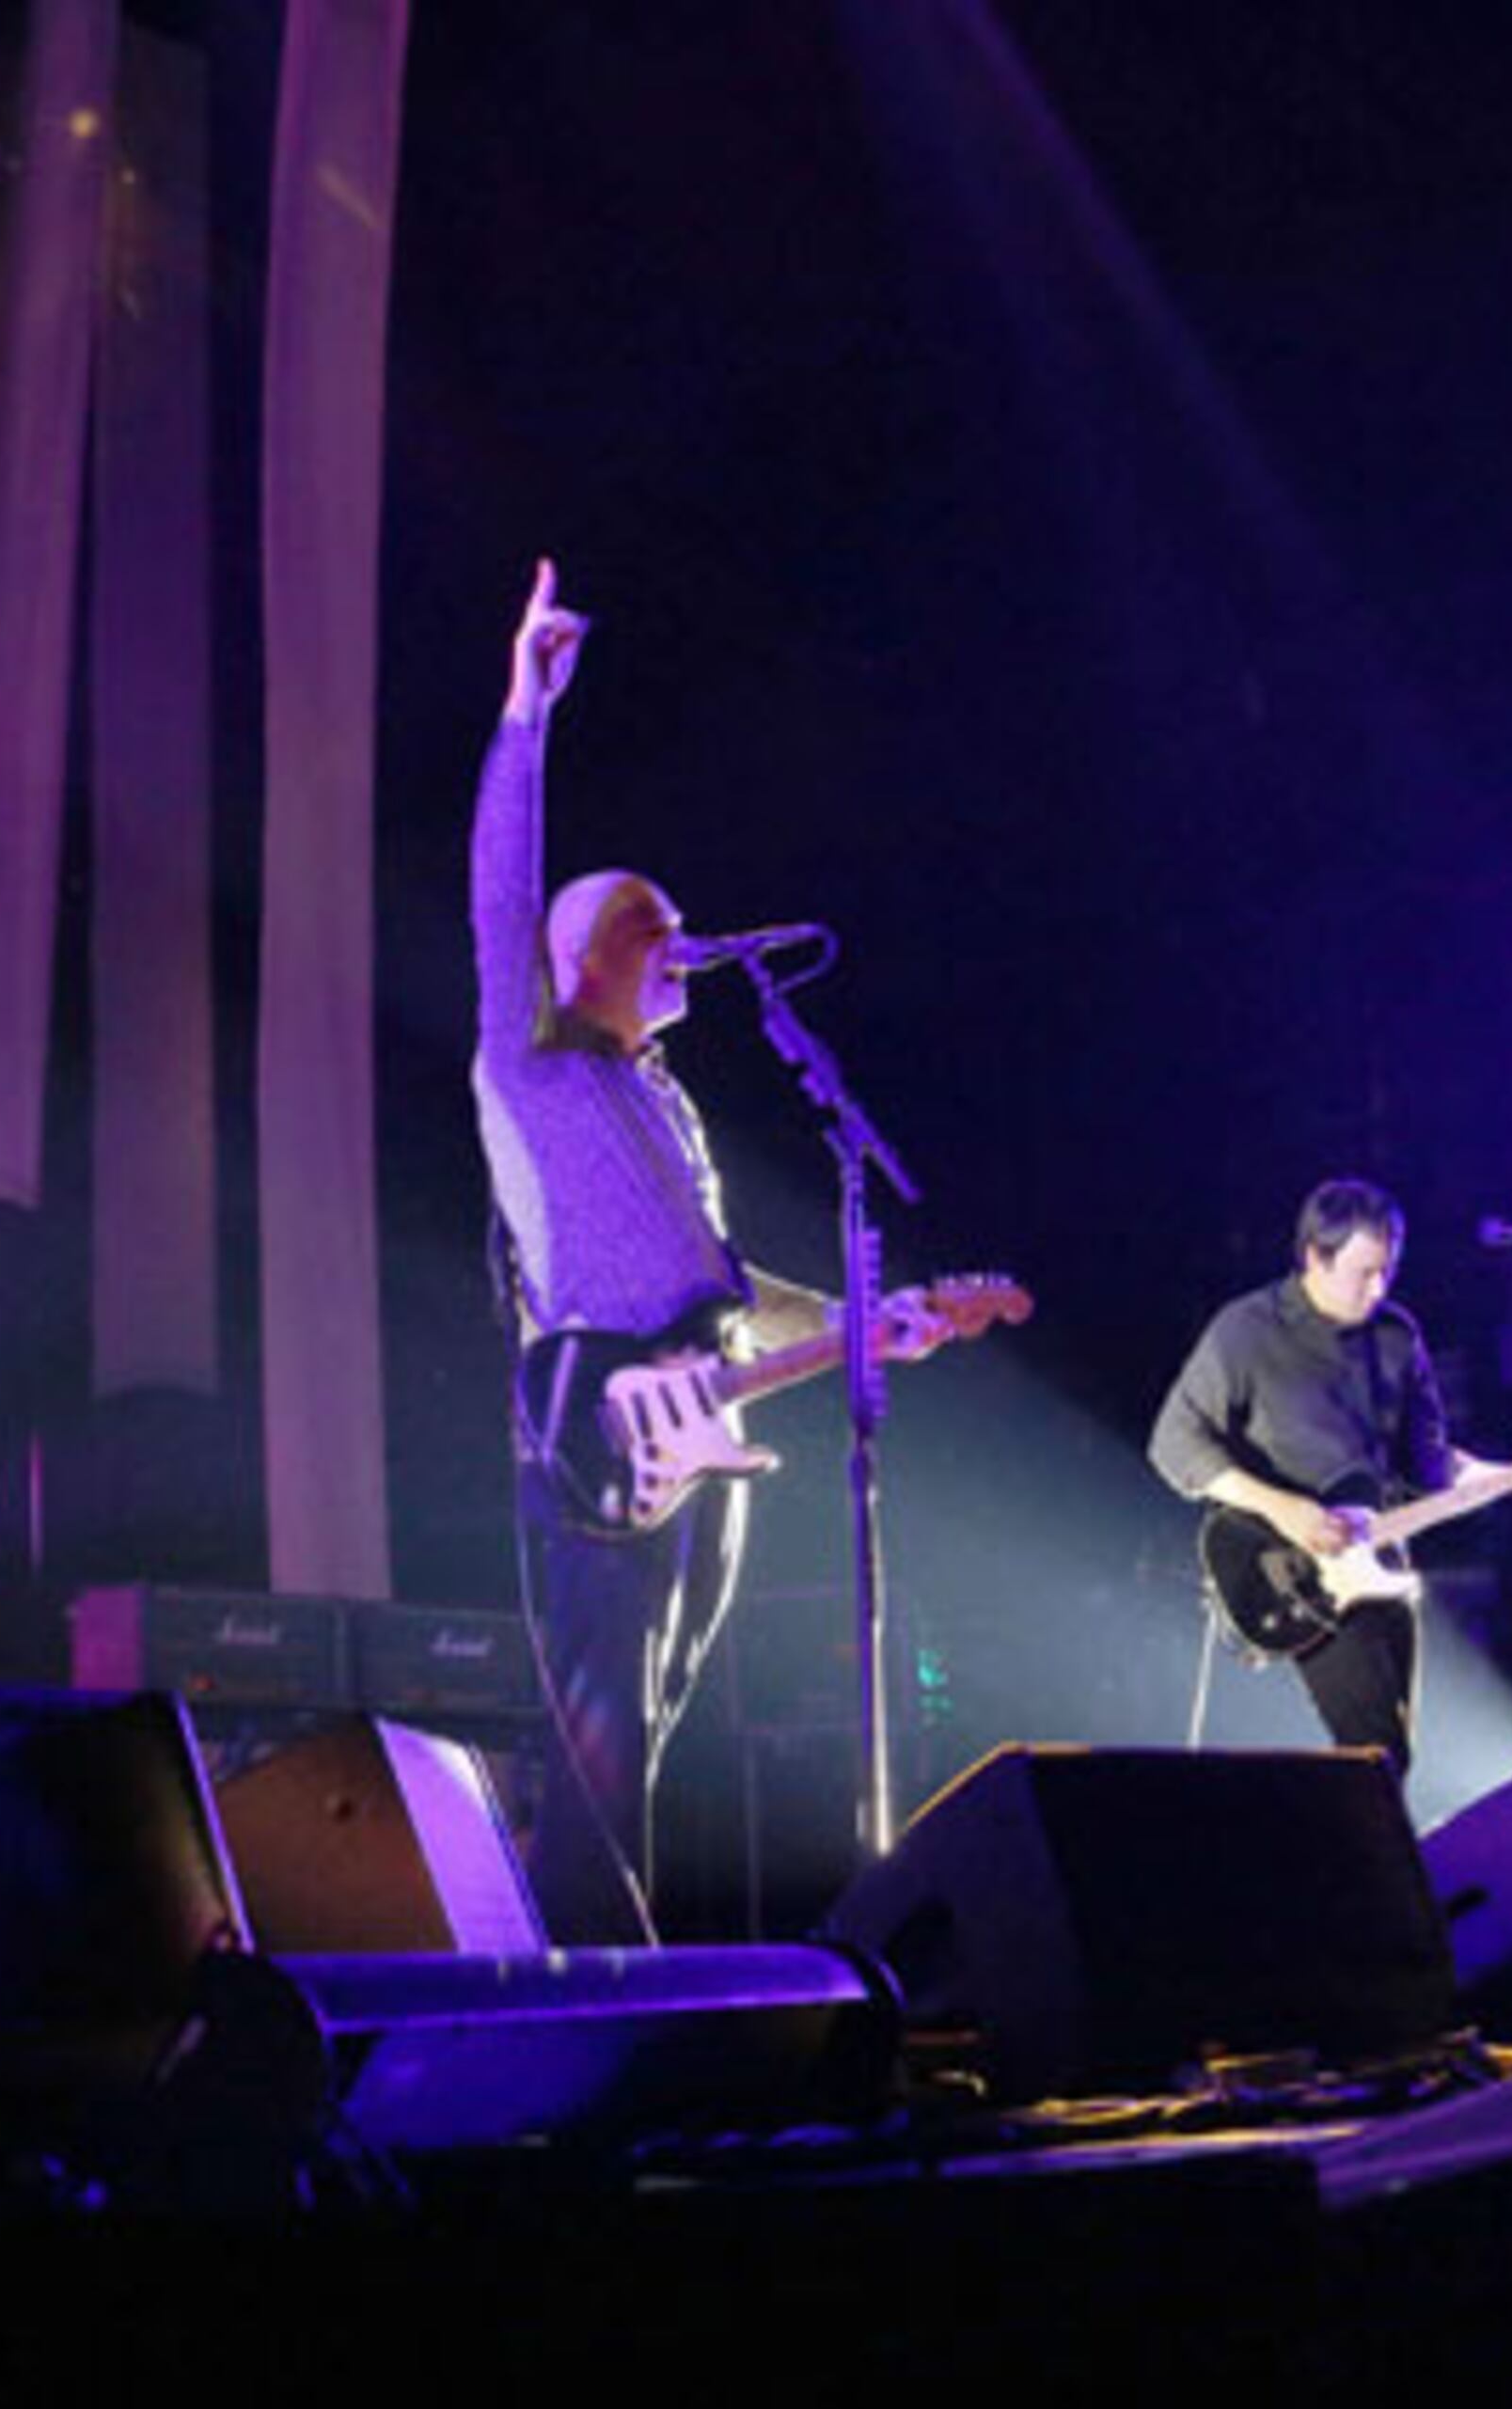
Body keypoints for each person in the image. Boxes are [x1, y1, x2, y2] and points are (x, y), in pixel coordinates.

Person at [468, 559, 936, 1944]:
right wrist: (525, 715)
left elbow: (726, 1284)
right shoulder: (534, 1067)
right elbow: (500, 895)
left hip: (701, 1420)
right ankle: (588, 1997)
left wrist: (873, 1309)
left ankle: (609, 1966)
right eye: (645, 925)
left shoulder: (662, 1100)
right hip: (606, 1420)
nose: (676, 943)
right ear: (575, 962)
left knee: (651, 1727)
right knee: (600, 1738)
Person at [1148, 1177, 1512, 1772]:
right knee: (1375, 1749)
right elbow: (1173, 1441)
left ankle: (1358, 1859)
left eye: (1388, 1271)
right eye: (1364, 1272)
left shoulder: (1398, 1336)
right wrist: (1280, 1508)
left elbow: (1432, 1462)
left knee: (1391, 1760)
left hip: (1384, 1559)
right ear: (1314, 1257)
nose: (1378, 1289)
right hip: (1295, 1570)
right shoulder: (1246, 1330)